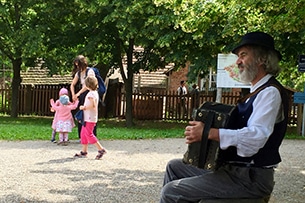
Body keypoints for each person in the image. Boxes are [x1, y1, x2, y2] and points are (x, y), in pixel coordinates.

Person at [160, 31, 289, 202]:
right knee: (174, 167)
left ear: (262, 59)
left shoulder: (270, 92)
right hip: (236, 172)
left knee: (172, 191)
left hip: (250, 179)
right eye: (238, 56)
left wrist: (208, 132)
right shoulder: (256, 91)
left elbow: (256, 137)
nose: (238, 61)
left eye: (243, 55)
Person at [74, 75, 106, 160]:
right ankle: (84, 151)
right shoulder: (94, 93)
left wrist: (83, 107)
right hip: (88, 117)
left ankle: (101, 149)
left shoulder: (91, 94)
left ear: (88, 85)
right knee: (83, 134)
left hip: (90, 118)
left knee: (89, 134)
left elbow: (93, 105)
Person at [70, 55, 97, 139]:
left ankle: (92, 135)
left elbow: (87, 85)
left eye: (79, 65)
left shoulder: (90, 71)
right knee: (82, 114)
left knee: (90, 113)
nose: (78, 67)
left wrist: (77, 94)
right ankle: (82, 135)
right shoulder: (78, 73)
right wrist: (73, 94)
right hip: (82, 94)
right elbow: (72, 84)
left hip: (90, 93)